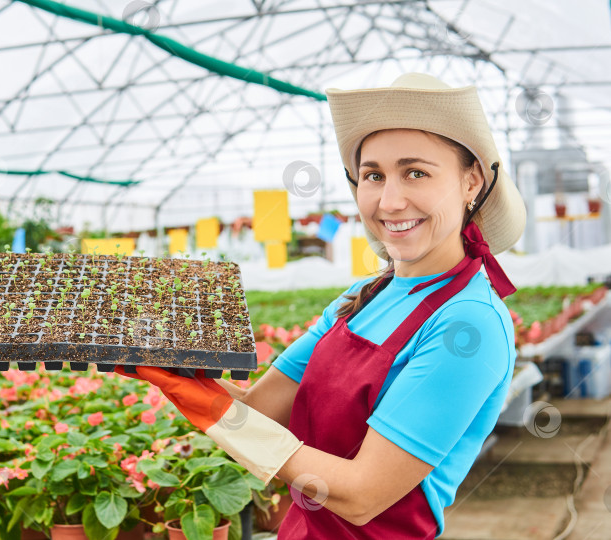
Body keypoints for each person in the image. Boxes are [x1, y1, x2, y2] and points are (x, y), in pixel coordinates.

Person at [116, 72, 527, 539]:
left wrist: (211, 409)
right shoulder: (362, 298)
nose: (390, 201)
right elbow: (263, 413)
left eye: (416, 172)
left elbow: (360, 495)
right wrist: (172, 371)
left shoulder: (468, 324)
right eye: (373, 175)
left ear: (471, 181)